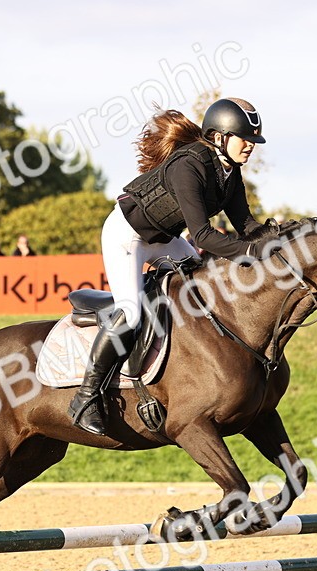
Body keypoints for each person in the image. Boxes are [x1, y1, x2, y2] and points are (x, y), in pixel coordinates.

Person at [70, 98, 267, 436]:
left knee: (200, 284)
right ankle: (86, 396)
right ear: (219, 137)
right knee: (130, 313)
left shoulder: (229, 172)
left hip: (164, 239)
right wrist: (252, 250)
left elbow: (246, 225)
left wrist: (282, 239)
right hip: (127, 237)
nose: (250, 146)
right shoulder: (188, 166)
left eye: (253, 139)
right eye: (244, 138)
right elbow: (204, 234)